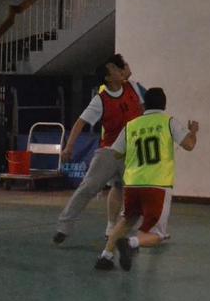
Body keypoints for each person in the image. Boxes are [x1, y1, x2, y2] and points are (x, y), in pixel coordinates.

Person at [95, 87, 198, 271]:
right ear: (164, 104)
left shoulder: (131, 125)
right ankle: (131, 243)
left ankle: (105, 256)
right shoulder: (168, 122)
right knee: (158, 235)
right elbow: (189, 145)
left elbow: (116, 153)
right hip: (157, 184)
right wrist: (193, 132)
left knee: (127, 219)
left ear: (144, 105)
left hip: (133, 183)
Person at [53, 56, 144, 244]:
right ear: (108, 78)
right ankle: (64, 226)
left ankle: (124, 230)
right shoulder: (100, 100)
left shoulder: (133, 87)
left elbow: (144, 105)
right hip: (109, 152)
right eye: (115, 69)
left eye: (120, 68)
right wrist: (69, 147)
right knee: (88, 187)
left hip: (133, 152)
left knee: (132, 191)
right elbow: (80, 123)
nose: (120, 70)